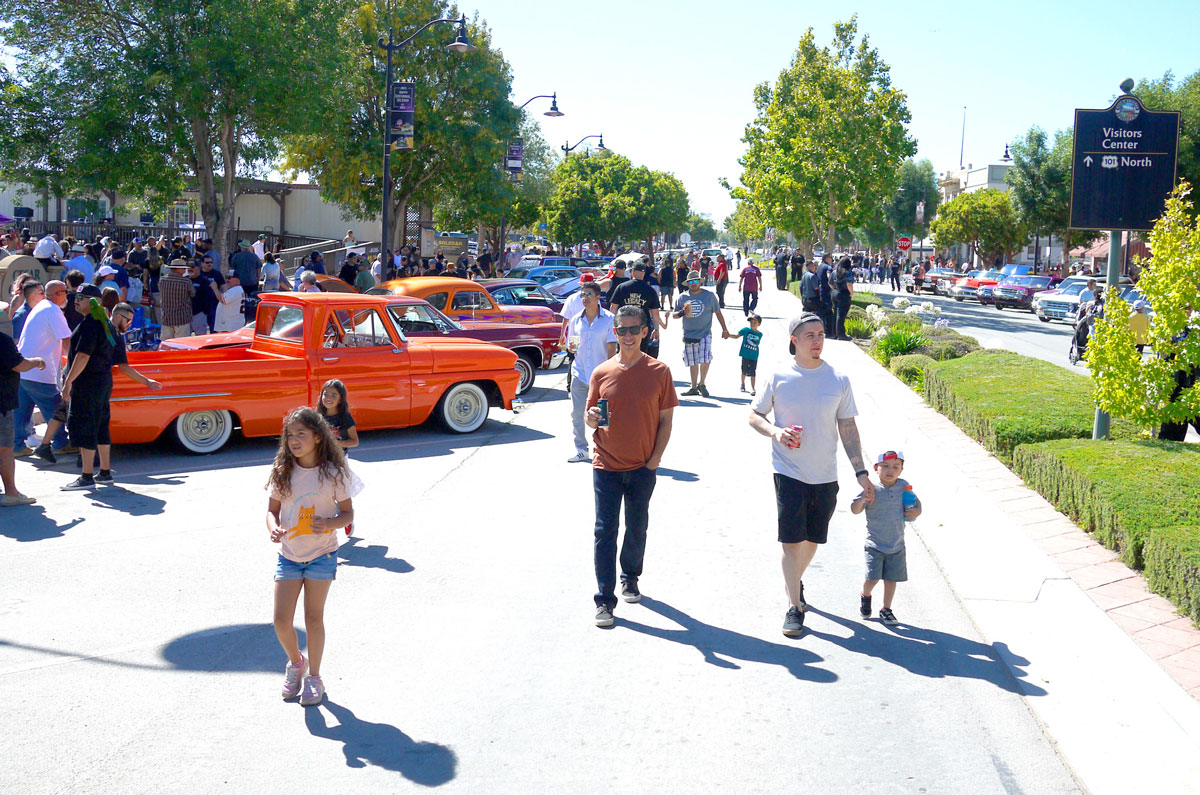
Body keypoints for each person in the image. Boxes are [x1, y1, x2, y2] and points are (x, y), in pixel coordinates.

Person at [748, 312, 874, 637]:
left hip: (825, 474)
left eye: (820, 335)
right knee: (791, 541)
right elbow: (755, 415)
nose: (817, 341)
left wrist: (861, 472)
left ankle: (794, 580)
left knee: (812, 540)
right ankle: (794, 606)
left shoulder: (838, 380)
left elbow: (848, 427)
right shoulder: (779, 376)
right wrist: (776, 432)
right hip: (787, 470)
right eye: (810, 336)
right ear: (795, 340)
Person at [586, 305, 678, 627]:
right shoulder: (601, 372)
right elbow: (591, 417)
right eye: (620, 330)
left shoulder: (659, 372)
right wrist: (591, 418)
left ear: (645, 332)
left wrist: (654, 460)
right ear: (615, 333)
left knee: (637, 528)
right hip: (606, 465)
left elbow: (666, 421)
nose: (626, 335)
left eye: (632, 329)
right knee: (604, 532)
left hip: (642, 467)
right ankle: (604, 600)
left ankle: (630, 576)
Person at [266, 406, 363, 707]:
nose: (294, 440)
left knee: (313, 618)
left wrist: (330, 523)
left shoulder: (334, 473)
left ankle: (315, 677)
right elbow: (272, 511)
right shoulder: (282, 471)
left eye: (301, 434)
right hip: (290, 555)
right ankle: (296, 663)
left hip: (322, 554)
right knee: (281, 621)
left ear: (318, 437)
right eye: (290, 435)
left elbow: (347, 513)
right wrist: (274, 528)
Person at [61, 299, 163, 491]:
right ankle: (105, 472)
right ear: (118, 316)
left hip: (89, 383)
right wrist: (147, 382)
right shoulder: (111, 331)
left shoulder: (100, 327)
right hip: (102, 383)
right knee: (100, 427)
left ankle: (86, 477)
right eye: (128, 320)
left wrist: (68, 382)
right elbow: (123, 367)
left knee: (87, 427)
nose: (130, 325)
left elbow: (83, 357)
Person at [852, 450, 921, 626]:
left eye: (895, 467)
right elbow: (854, 509)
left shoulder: (904, 486)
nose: (890, 470)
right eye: (885, 466)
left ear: (901, 470)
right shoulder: (871, 488)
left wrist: (916, 511)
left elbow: (916, 504)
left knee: (891, 579)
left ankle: (886, 609)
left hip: (897, 544)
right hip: (874, 544)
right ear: (876, 468)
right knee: (872, 578)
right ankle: (865, 595)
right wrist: (862, 501)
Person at [14, 280, 72, 458]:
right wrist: (73, 363)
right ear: (58, 294)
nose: (67, 296)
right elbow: (66, 339)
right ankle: (61, 442)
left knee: (22, 410)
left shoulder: (41, 307)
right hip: (39, 371)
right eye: (65, 292)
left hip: (24, 368)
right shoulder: (52, 310)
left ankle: (17, 445)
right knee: (56, 407)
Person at [565, 282, 617, 463]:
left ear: (597, 297)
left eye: (588, 294)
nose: (584, 298)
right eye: (582, 295)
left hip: (601, 376)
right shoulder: (575, 320)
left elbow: (612, 349)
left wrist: (610, 374)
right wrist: (571, 347)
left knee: (603, 414)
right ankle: (581, 449)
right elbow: (572, 345)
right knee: (577, 413)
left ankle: (605, 450)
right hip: (579, 373)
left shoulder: (609, 319)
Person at [1, 326, 45, 506]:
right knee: (4, 450)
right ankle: (11, 493)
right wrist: (37, 361)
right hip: (1, 403)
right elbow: (19, 365)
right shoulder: (2, 340)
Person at [673, 269, 730, 397]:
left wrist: (724, 329)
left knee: (705, 357)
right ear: (688, 284)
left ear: (699, 281)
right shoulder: (683, 297)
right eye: (690, 282)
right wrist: (682, 312)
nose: (693, 284)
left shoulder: (709, 296)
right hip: (689, 333)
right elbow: (674, 315)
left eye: (695, 281)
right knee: (692, 361)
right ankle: (693, 387)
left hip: (705, 332)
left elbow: (718, 313)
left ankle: (702, 383)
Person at [609, 261, 664, 359]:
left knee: (623, 354)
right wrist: (656, 329)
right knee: (640, 355)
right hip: (642, 329)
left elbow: (613, 309)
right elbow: (655, 315)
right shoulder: (650, 290)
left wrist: (611, 326)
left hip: (623, 327)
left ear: (632, 272)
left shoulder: (622, 287)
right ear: (643, 274)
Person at [727, 313, 763, 395]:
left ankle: (753, 388)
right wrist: (728, 335)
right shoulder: (746, 330)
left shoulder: (760, 334)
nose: (752, 324)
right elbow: (736, 336)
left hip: (754, 356)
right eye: (751, 322)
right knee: (744, 370)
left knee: (753, 372)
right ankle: (742, 384)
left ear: (759, 324)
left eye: (755, 323)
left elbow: (755, 343)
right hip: (745, 354)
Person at [159, 259, 196, 340]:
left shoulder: (162, 280)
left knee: (167, 346)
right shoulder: (186, 281)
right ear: (178, 269)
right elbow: (193, 294)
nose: (184, 270)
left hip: (166, 318)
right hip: (181, 318)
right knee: (181, 346)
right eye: (183, 268)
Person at [317, 379, 359, 449]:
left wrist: (336, 444)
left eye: (333, 396)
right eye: (325, 394)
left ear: (340, 399)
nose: (328, 398)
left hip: (339, 457)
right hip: (322, 456)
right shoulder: (318, 416)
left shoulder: (345, 417)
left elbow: (355, 441)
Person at [833, 256, 855, 341]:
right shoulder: (847, 272)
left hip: (835, 292)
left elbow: (830, 283)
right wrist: (851, 292)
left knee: (835, 314)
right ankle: (841, 335)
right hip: (843, 294)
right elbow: (849, 284)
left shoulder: (835, 271)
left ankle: (834, 333)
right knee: (841, 315)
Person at [815, 253, 835, 335]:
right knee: (828, 311)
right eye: (831, 258)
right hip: (826, 291)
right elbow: (829, 277)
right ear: (827, 258)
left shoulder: (820, 266)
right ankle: (828, 331)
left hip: (820, 290)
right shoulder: (828, 267)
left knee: (821, 311)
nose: (832, 259)